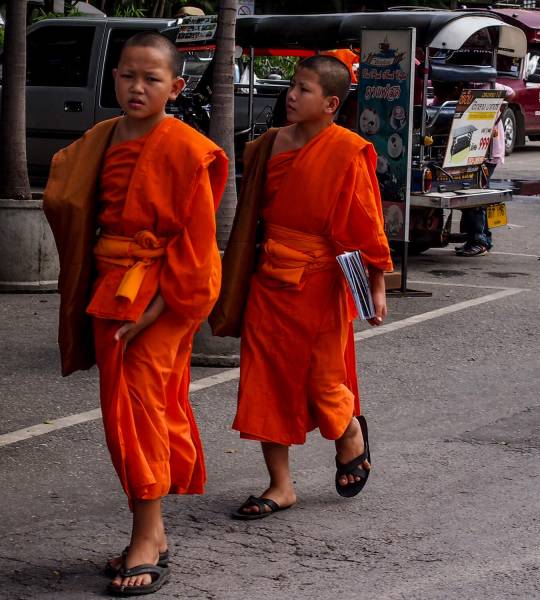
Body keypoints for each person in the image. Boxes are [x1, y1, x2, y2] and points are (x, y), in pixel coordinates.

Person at [42, 33, 228, 595]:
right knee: (127, 410)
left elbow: (197, 245)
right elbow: (67, 195)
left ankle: (147, 535)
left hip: (164, 294)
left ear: (176, 87)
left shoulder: (187, 149)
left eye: (151, 78)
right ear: (114, 78)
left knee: (138, 409)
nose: (137, 87)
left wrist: (155, 309)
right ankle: (153, 529)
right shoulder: (101, 137)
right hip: (111, 287)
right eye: (127, 75)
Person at [209, 55, 392, 518]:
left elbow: (366, 224)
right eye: (293, 86)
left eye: (304, 89)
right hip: (270, 279)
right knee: (265, 382)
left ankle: (348, 430)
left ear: (330, 103)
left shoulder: (348, 151)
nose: (291, 95)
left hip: (320, 281)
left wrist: (377, 285)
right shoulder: (270, 144)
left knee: (322, 380)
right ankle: (280, 485)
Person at [457, 82, 514, 257]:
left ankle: (480, 240)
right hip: (472, 149)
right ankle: (478, 239)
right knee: (472, 192)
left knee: (475, 194)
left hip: (487, 151)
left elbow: (511, 93)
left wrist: (496, 104)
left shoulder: (490, 86)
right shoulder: (465, 87)